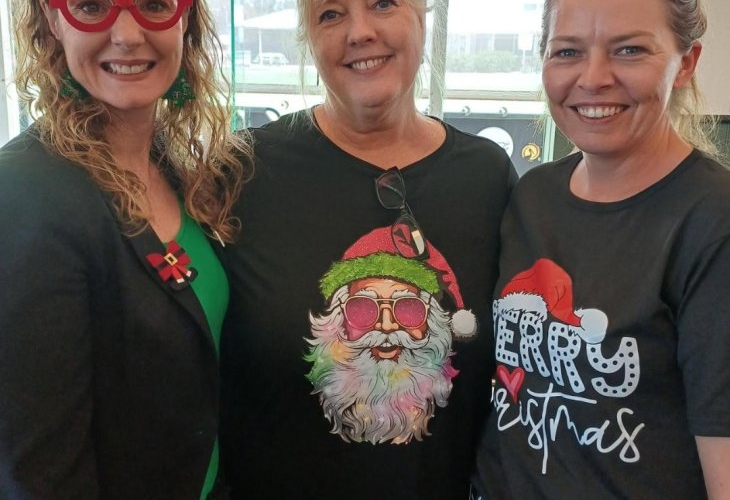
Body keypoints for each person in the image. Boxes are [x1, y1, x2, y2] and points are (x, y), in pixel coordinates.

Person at [217, 0, 517, 498]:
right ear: (308, 37)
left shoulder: (488, 177)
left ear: (423, 15)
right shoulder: (242, 172)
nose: (359, 31)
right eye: (330, 14)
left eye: (382, 4)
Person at [474, 0, 730, 499]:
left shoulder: (712, 223)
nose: (593, 78)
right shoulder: (532, 196)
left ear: (688, 63)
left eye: (630, 50)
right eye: (567, 51)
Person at [0, 0, 251, 498]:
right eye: (91, 6)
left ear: (186, 18)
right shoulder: (23, 193)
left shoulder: (178, 170)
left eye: (154, 4)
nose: (128, 33)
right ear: (52, 22)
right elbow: (40, 474)